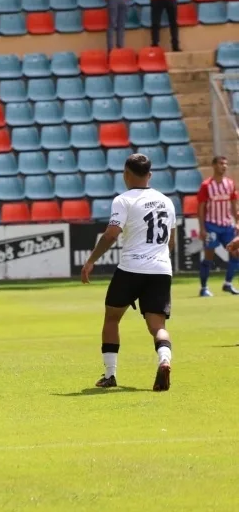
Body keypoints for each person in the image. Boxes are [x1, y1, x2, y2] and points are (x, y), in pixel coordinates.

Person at [81, 154, 176, 392]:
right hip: (161, 269)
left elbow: (111, 234)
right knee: (157, 326)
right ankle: (164, 359)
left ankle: (110, 375)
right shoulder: (167, 201)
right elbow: (171, 242)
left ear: (126, 174)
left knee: (112, 318)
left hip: (131, 269)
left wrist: (91, 260)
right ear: (150, 175)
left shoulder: (123, 200)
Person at [196, 156, 239, 297]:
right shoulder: (206, 185)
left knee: (236, 253)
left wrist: (237, 222)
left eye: (225, 164)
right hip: (211, 225)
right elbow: (201, 207)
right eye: (221, 163)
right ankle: (204, 288)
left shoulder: (230, 184)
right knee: (209, 255)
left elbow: (234, 205)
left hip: (227, 225)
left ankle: (228, 283)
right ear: (214, 165)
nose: (224, 166)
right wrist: (202, 228)